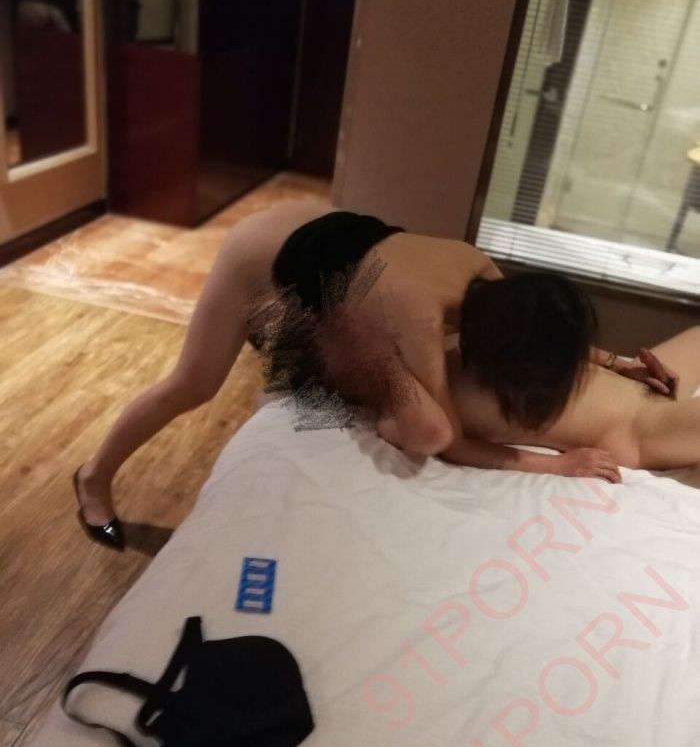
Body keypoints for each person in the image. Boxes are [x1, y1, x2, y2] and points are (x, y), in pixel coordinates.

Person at [73, 202, 677, 548]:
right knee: (193, 384)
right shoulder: (419, 317)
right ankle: (92, 479)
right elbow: (452, 443)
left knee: (405, 402)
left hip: (336, 245)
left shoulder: (483, 275)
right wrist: (557, 465)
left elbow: (544, 333)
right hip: (263, 250)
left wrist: (615, 361)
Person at [444, 272, 697, 482]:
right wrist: (557, 464)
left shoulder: (494, 332)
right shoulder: (457, 394)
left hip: (639, 387)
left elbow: (556, 341)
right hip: (638, 426)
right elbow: (456, 447)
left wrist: (620, 365)